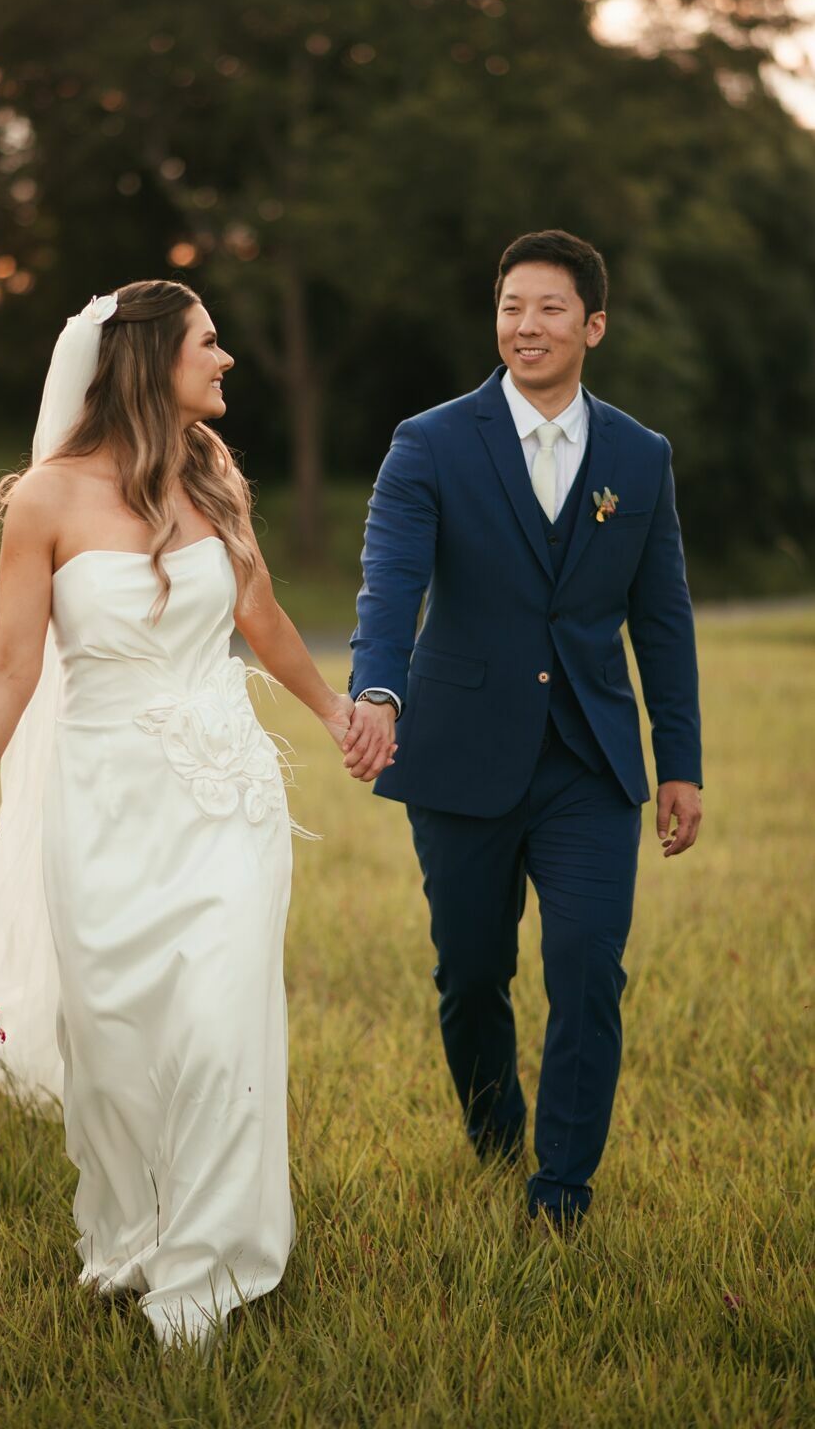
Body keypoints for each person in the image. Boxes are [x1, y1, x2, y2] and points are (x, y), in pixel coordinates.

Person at [0, 280, 353, 1348]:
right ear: (152, 359)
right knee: (111, 1040)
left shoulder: (215, 481)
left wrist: (337, 713)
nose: (228, 357)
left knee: (214, 1024)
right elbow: (11, 663)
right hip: (100, 802)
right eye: (209, 340)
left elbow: (263, 615)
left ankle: (209, 1271)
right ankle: (133, 1235)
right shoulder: (47, 500)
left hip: (224, 797)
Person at [344, 230, 703, 1230]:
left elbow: (663, 618)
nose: (526, 324)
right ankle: (494, 1134)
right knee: (471, 973)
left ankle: (561, 1188)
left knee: (589, 963)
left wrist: (680, 763)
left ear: (592, 325)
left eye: (549, 308)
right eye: (511, 306)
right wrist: (378, 692)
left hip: (591, 761)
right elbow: (391, 587)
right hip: (458, 751)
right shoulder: (430, 441)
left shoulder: (639, 455)